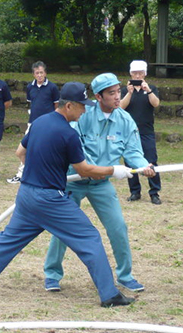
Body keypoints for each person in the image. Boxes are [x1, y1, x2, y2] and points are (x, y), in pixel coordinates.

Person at [0, 82, 135, 308]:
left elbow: (20, 152)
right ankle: (110, 295)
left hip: (26, 195)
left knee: (7, 240)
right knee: (89, 238)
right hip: (50, 199)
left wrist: (37, 168)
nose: (84, 111)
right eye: (82, 107)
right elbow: (84, 170)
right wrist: (115, 170)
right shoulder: (68, 134)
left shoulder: (40, 122)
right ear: (69, 106)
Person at [44, 73, 155, 293]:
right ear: (98, 96)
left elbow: (132, 150)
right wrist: (92, 170)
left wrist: (143, 166)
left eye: (119, 91)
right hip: (73, 181)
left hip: (102, 183)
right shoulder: (82, 114)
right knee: (63, 229)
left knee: (118, 227)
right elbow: (76, 148)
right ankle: (52, 274)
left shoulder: (124, 120)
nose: (117, 97)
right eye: (111, 93)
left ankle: (125, 276)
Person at [7, 61, 59, 184]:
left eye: (42, 72)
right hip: (33, 123)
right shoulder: (30, 86)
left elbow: (56, 106)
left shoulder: (52, 87)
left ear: (45, 73)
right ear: (33, 74)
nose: (40, 75)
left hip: (48, 124)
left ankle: (47, 174)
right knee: (24, 149)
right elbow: (32, 103)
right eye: (37, 73)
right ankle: (22, 174)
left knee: (48, 149)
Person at [120, 60, 162, 205]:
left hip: (146, 130)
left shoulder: (152, 88)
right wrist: (129, 93)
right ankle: (134, 191)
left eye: (140, 73)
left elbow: (156, 103)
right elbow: (120, 107)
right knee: (130, 162)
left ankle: (154, 192)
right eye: (134, 73)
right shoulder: (125, 90)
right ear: (130, 74)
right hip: (129, 132)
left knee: (151, 160)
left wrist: (148, 90)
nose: (137, 76)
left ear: (145, 74)